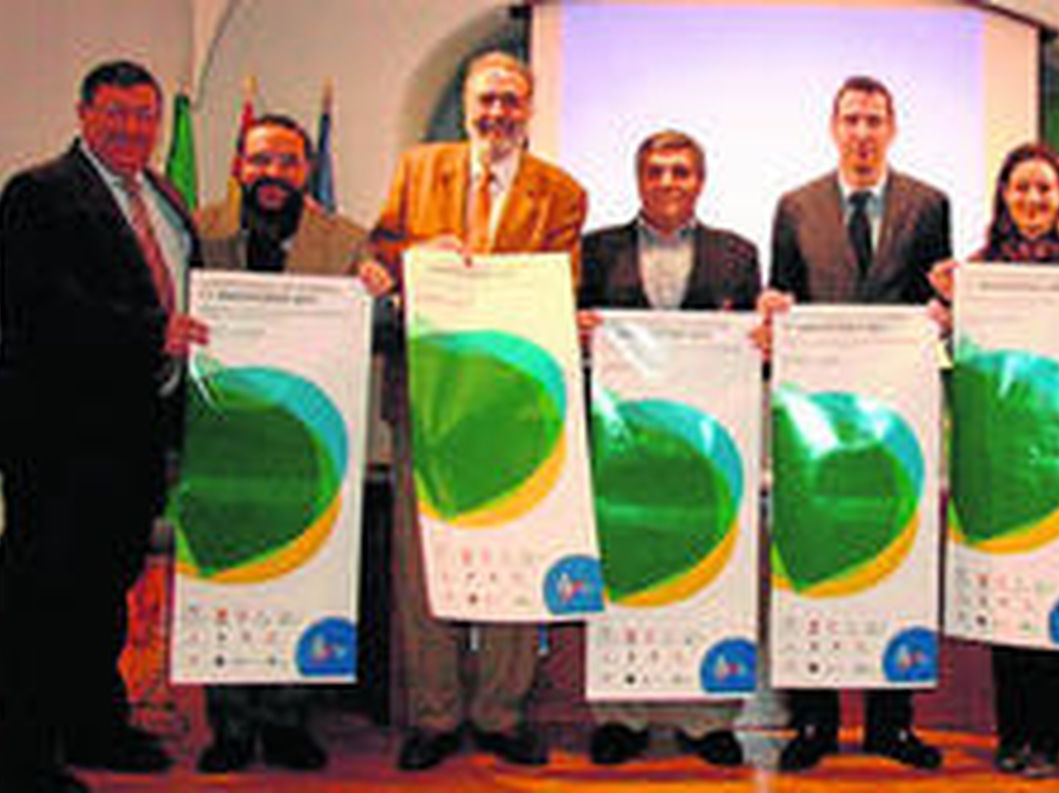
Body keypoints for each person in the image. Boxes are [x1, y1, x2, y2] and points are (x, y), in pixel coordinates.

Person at [0, 59, 207, 793]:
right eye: (116, 113)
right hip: (58, 437)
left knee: (104, 595)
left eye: (144, 115)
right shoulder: (39, 192)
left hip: (134, 435)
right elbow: (45, 306)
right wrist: (151, 333)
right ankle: (25, 756)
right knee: (40, 599)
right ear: (83, 113)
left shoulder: (163, 198)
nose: (133, 127)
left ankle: (94, 725)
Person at [369, 49, 587, 773]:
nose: (498, 114)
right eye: (486, 100)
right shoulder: (418, 168)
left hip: (513, 409)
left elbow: (561, 287)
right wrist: (416, 254)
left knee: (513, 555)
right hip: (427, 399)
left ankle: (499, 710)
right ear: (468, 105)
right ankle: (434, 712)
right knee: (419, 559)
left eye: (511, 102)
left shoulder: (561, 192)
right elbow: (378, 247)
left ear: (529, 109)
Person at [927, 142, 1059, 779]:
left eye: (1044, 189)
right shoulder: (978, 271)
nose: (1033, 200)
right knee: (1010, 607)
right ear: (1004, 198)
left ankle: (1049, 742)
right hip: (1000, 467)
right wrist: (946, 310)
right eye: (1021, 189)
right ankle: (1012, 737)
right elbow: (953, 361)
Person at [190, 113, 393, 774]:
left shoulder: (348, 239)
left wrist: (379, 295)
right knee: (231, 571)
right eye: (260, 161)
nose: (272, 175)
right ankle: (229, 723)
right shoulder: (199, 228)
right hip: (226, 436)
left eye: (287, 162)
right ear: (240, 165)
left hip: (311, 439)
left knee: (303, 573)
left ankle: (287, 717)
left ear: (307, 171)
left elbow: (379, 329)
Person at [763, 74, 950, 773]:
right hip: (817, 421)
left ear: (892, 128)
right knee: (817, 556)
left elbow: (935, 298)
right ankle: (811, 721)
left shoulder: (930, 204)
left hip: (897, 418)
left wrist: (944, 316)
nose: (863, 132)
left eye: (875, 120)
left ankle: (889, 724)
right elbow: (781, 294)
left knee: (894, 552)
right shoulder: (795, 206)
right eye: (852, 120)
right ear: (833, 127)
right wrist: (773, 310)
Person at [578, 130, 758, 768]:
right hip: (623, 444)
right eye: (656, 171)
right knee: (626, 567)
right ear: (639, 179)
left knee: (706, 565)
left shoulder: (738, 254)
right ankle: (621, 714)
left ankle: (707, 718)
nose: (669, 182)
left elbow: (748, 347)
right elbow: (572, 333)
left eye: (682, 171)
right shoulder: (596, 250)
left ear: (700, 181)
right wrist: (578, 330)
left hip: (703, 446)